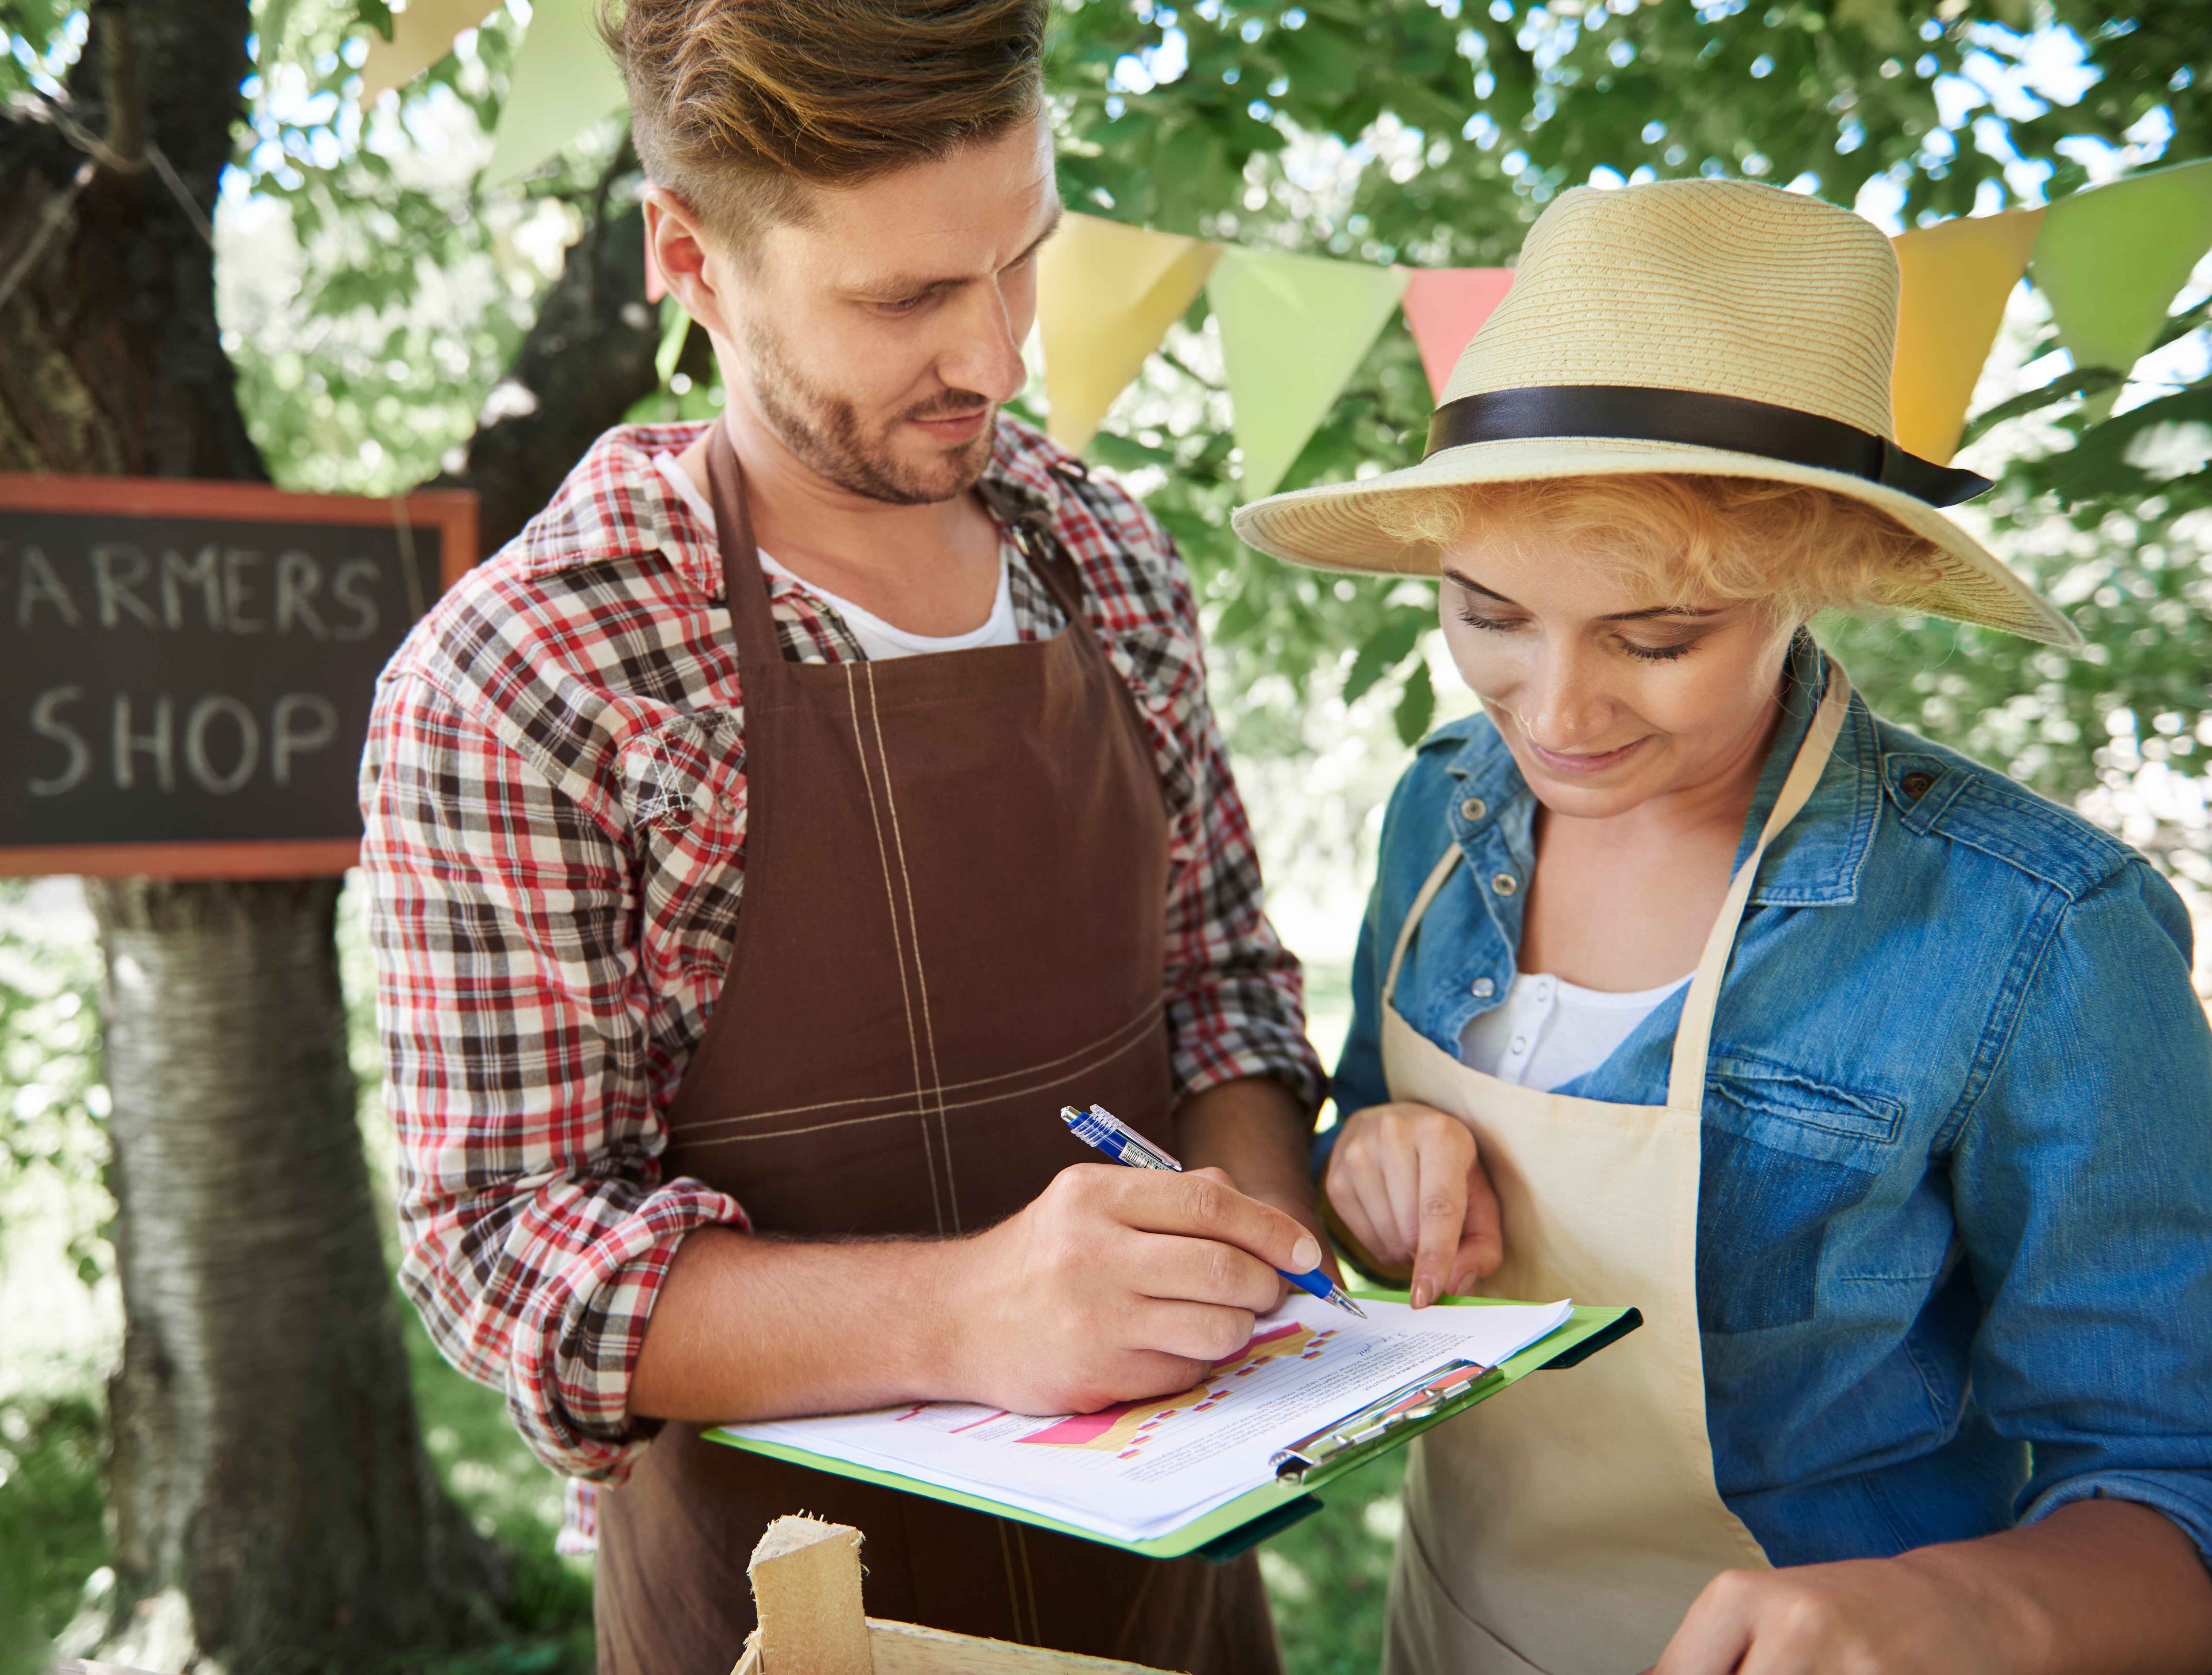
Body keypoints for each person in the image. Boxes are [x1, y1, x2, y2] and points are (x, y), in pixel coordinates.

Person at [360, 2, 1328, 1669]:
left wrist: (1259, 1260)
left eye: (1021, 257)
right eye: (904, 301)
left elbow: (1220, 983)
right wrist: (969, 1315)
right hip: (780, 1614)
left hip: (1173, 1595)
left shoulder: (1107, 556)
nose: (1002, 358)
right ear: (691, 256)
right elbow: (508, 1255)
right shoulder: (530, 674)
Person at [1233, 178, 2212, 1675]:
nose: (1551, 715)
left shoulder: (2034, 929)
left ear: (1806, 583)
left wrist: (1950, 1608)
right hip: (1446, 1624)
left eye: (1653, 637)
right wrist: (1365, 1162)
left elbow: (2171, 1482)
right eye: (1488, 612)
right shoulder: (1441, 813)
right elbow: (1369, 1128)